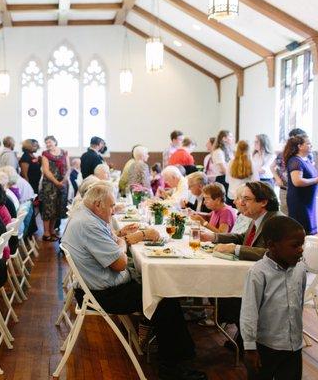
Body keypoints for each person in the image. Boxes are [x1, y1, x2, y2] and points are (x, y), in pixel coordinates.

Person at [63, 183, 204, 380]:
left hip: (96, 286)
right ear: (97, 204)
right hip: (103, 294)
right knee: (164, 296)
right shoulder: (88, 224)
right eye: (111, 206)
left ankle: (173, 350)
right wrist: (131, 239)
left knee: (157, 286)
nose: (114, 210)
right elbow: (120, 264)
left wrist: (120, 236)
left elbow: (107, 242)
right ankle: (172, 368)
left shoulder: (84, 214)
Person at [240, 216, 306, 380]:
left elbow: (300, 302)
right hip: (266, 346)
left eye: (302, 245)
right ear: (271, 245)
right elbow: (249, 311)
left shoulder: (300, 269)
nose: (301, 250)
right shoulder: (258, 273)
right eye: (295, 245)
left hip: (294, 345)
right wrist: (249, 348)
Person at [201, 181, 282, 261]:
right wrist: (213, 237)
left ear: (263, 202)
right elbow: (243, 238)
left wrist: (236, 249)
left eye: (246, 199)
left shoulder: (277, 222)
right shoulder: (258, 217)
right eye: (241, 198)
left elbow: (275, 254)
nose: (241, 203)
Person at [283, 135, 318, 235]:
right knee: (301, 230)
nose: (311, 145)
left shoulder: (306, 159)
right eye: (308, 143)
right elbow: (297, 181)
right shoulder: (295, 161)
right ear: (300, 146)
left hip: (308, 201)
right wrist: (316, 180)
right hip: (300, 202)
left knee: (309, 229)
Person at [271, 128, 309, 216]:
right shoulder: (283, 154)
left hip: (300, 190)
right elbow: (272, 167)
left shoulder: (307, 155)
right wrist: (277, 179)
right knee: (285, 214)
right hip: (285, 188)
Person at [40, 135, 70, 242]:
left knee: (57, 207)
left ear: (55, 141)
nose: (48, 144)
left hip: (62, 184)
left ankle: (52, 231)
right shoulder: (45, 154)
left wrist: (64, 181)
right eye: (46, 143)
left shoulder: (64, 152)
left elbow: (68, 168)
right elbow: (46, 171)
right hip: (49, 184)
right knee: (48, 208)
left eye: (50, 142)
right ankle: (46, 233)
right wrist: (57, 182)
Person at [226, 140, 259, 205]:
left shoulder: (231, 162)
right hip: (245, 196)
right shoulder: (251, 163)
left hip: (232, 195)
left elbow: (227, 180)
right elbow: (256, 181)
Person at [211, 130, 235, 194]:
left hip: (229, 177)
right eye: (230, 136)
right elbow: (223, 170)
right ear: (224, 139)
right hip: (222, 179)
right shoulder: (218, 152)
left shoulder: (230, 151)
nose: (232, 138)